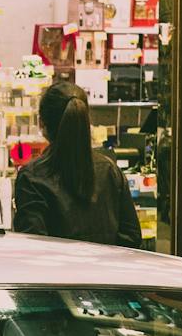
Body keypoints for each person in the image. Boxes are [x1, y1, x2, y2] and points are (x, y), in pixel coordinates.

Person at [13, 80, 143, 248]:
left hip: (56, 273)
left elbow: (32, 246)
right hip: (107, 272)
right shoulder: (109, 170)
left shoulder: (32, 178)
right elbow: (131, 237)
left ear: (41, 124)